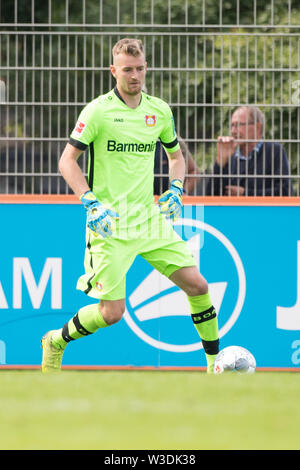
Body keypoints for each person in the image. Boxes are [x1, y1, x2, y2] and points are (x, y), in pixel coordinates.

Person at [41, 38, 219, 373]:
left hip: (150, 220)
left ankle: (214, 367)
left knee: (199, 285)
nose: (134, 75)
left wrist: (176, 188)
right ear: (113, 71)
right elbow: (67, 161)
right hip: (109, 224)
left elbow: (177, 157)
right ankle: (56, 340)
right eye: (127, 70)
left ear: (146, 68)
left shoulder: (159, 111)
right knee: (112, 314)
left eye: (139, 69)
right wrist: (90, 202)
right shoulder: (98, 111)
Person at [205, 106, 293, 196]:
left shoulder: (274, 150)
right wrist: (220, 162)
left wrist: (245, 193)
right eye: (232, 125)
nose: (233, 131)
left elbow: (285, 192)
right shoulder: (230, 155)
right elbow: (210, 197)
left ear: (257, 127)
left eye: (238, 125)